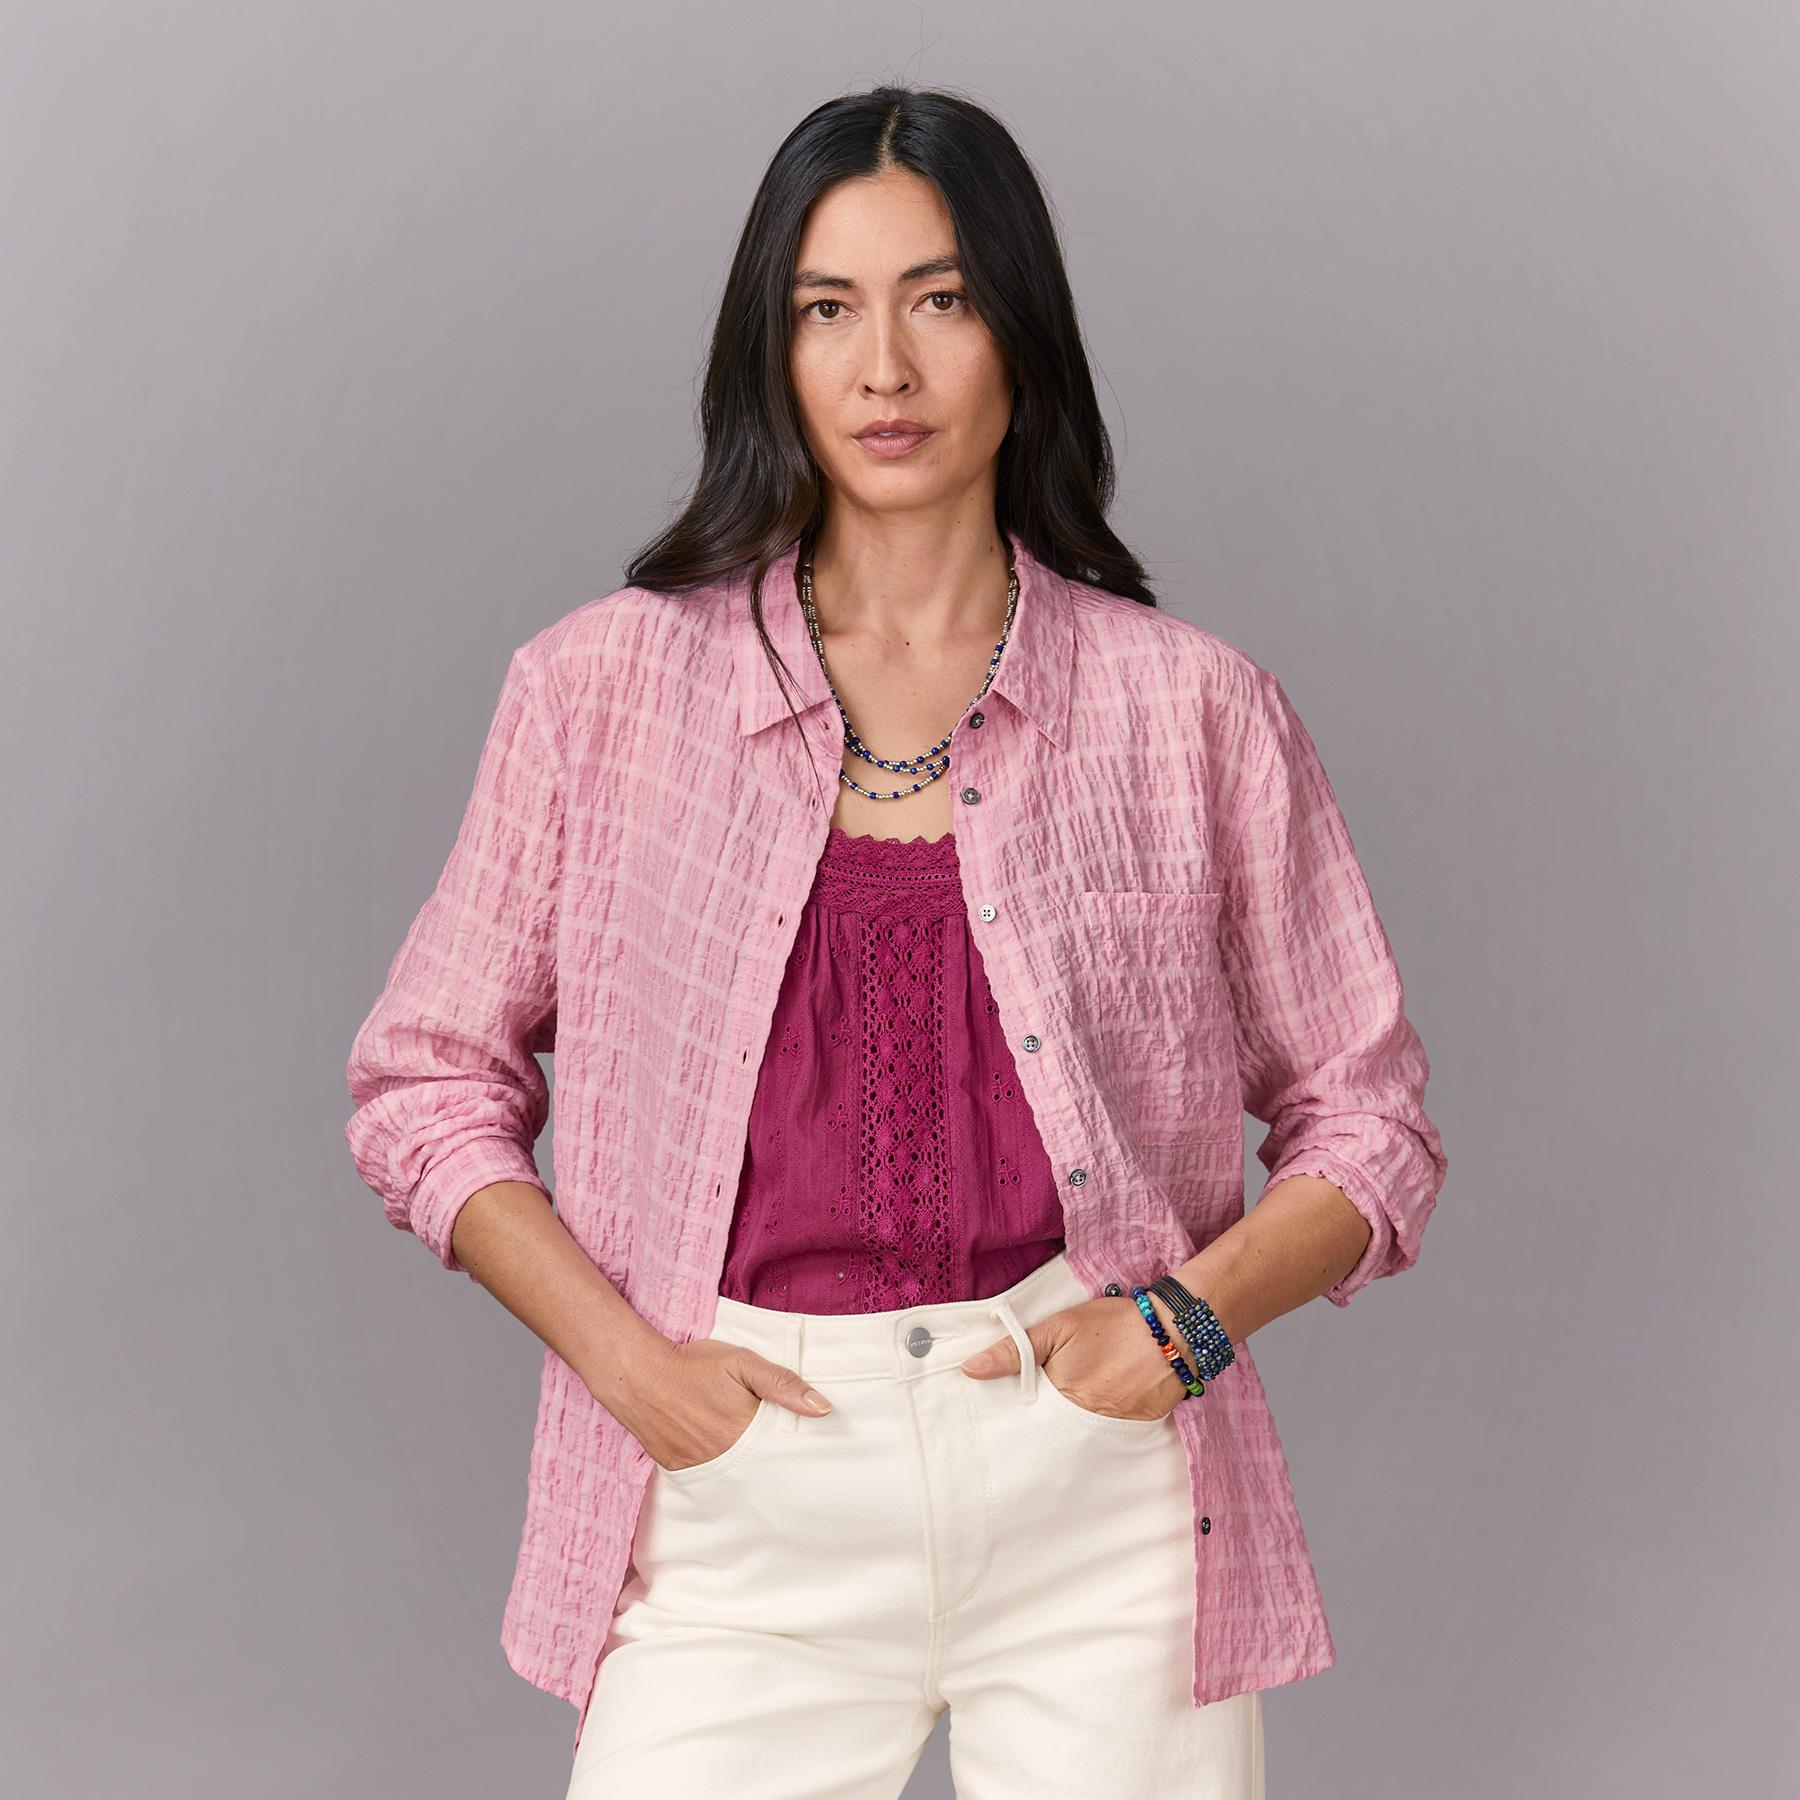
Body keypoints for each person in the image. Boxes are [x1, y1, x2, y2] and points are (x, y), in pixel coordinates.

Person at [344, 81, 1447, 1800]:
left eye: (940, 300)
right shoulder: (599, 694)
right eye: (826, 310)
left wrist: (1181, 1329)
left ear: (1021, 333)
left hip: (1097, 1488)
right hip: (745, 1492)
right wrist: (633, 1375)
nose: (884, 369)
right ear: (770, 350)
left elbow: (1370, 1127)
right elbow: (423, 1087)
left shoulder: (1192, 713)